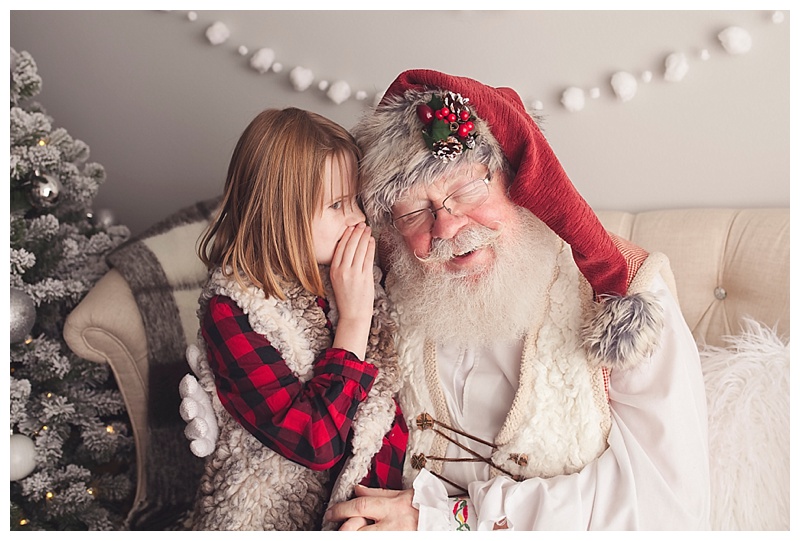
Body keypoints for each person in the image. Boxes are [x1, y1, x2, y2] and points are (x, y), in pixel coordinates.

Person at [321, 70, 711, 530]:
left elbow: (667, 506)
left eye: (466, 189)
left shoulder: (627, 297)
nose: (446, 228)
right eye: (413, 211)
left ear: (519, 182)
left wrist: (448, 521)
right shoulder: (375, 298)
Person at [179, 108, 407, 530]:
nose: (358, 217)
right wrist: (354, 320)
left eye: (357, 200)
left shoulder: (347, 270)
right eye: (338, 205)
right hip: (266, 518)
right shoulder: (235, 309)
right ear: (282, 213)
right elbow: (314, 440)